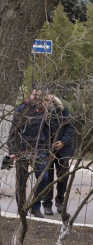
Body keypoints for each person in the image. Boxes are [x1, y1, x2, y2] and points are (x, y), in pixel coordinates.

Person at [7, 88, 50, 218]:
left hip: (39, 150)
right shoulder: (21, 110)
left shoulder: (44, 111)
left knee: (43, 177)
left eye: (39, 95)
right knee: (21, 181)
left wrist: (48, 150)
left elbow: (47, 132)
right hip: (23, 150)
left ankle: (35, 207)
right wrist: (13, 151)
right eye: (35, 94)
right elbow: (13, 132)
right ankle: (22, 208)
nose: (37, 97)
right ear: (30, 95)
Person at [42, 94, 75, 215]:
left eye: (49, 100)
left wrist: (63, 142)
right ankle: (47, 204)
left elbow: (70, 128)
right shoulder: (41, 113)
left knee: (63, 178)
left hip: (63, 150)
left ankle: (60, 201)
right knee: (47, 178)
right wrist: (47, 148)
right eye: (45, 100)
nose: (47, 102)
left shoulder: (63, 111)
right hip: (47, 151)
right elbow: (41, 132)